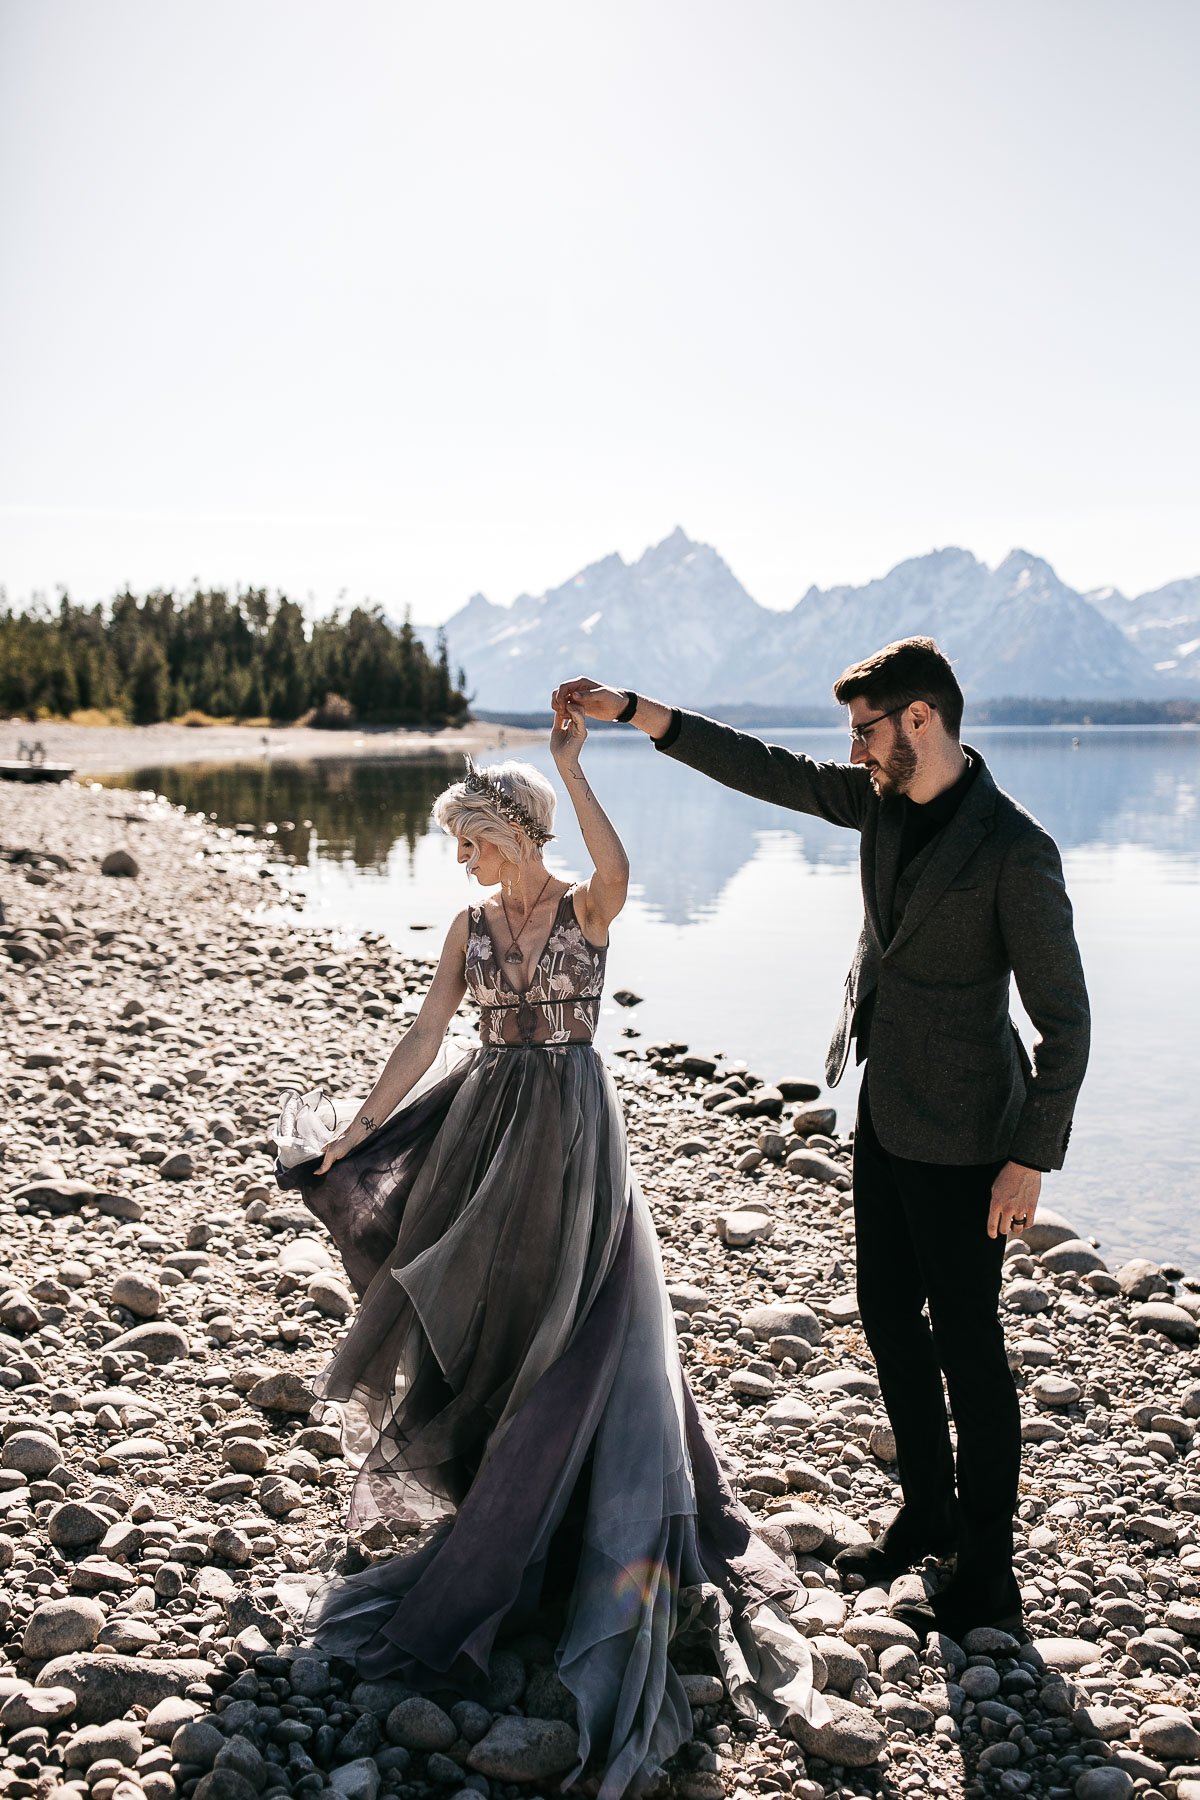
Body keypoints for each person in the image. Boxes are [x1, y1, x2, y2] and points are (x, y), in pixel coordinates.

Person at [274, 708, 831, 1800]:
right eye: (461, 847)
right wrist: (356, 1129)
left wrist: (572, 768)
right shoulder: (468, 925)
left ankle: (578, 1517)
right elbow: (428, 1034)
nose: (465, 860)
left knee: (583, 1321)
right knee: (493, 1310)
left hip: (576, 1128)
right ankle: (507, 1489)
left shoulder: (587, 906)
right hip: (487, 1120)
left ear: (517, 832)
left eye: (474, 841)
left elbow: (618, 859)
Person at [552, 640, 1090, 1642]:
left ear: (920, 720)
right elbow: (765, 769)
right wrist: (634, 710)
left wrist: (1030, 1157)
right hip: (888, 1112)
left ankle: (990, 1571)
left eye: (866, 729)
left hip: (973, 1137)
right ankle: (926, 1510)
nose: (854, 749)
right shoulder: (880, 801)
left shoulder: (1017, 851)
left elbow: (1068, 1021)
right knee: (888, 1315)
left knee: (972, 1352)